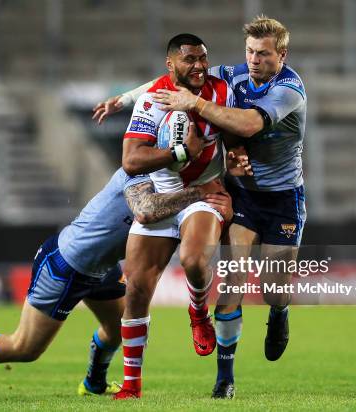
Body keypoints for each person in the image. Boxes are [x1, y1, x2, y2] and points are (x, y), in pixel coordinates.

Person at [93, 16, 307, 399]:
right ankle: (225, 379)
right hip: (240, 194)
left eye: (263, 53)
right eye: (250, 52)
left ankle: (278, 313)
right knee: (233, 280)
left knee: (275, 287)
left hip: (283, 197)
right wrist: (123, 99)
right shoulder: (229, 77)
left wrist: (195, 104)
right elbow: (173, 75)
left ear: (282, 55)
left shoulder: (289, 91)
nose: (254, 60)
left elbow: (246, 125)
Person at [0, 167, 233, 395]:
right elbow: (144, 210)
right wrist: (198, 194)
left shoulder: (179, 176)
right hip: (66, 265)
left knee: (121, 328)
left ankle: (93, 384)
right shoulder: (142, 165)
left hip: (101, 267)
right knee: (24, 348)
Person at [112, 33, 241, 400]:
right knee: (135, 288)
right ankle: (132, 386)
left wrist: (237, 156)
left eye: (203, 58)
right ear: (171, 65)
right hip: (164, 197)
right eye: (189, 60)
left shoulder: (221, 91)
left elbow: (234, 136)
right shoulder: (153, 99)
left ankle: (198, 311)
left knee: (193, 259)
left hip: (205, 194)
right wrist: (178, 152)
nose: (199, 66)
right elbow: (131, 160)